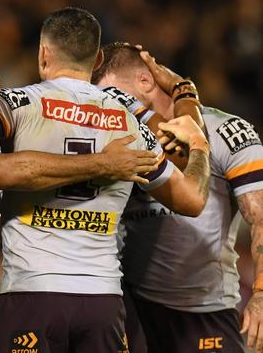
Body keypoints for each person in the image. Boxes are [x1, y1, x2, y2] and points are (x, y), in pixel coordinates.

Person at [0, 7, 211, 353]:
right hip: (102, 299)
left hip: (32, 294)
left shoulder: (21, 103)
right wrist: (199, 146)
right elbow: (192, 200)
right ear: (97, 61)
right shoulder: (130, 124)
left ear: (43, 53)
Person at [93, 42, 263, 352]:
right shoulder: (119, 136)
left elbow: (261, 218)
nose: (111, 107)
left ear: (145, 81)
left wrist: (261, 294)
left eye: (116, 95)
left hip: (205, 310)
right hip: (135, 307)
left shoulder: (229, 132)